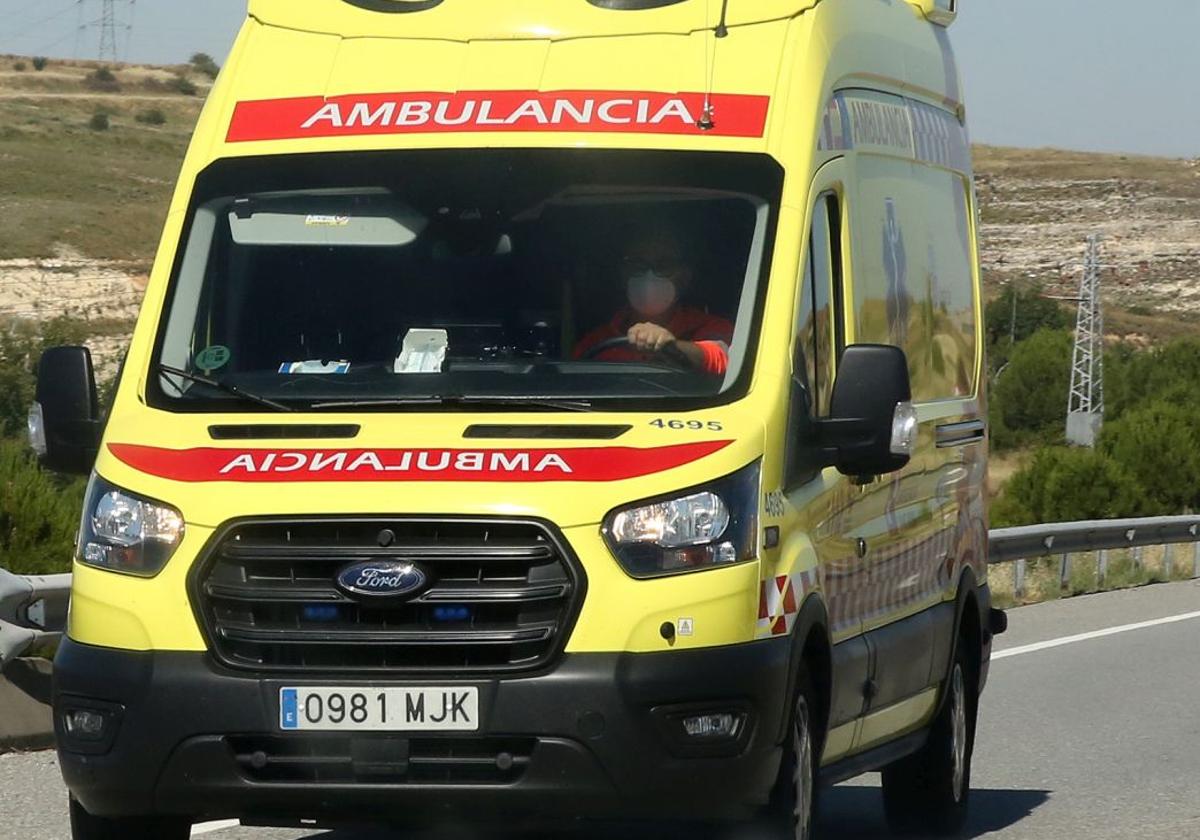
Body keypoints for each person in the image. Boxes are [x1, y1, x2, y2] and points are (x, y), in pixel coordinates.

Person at [572, 231, 734, 376]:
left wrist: (672, 347)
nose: (650, 275)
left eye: (664, 265)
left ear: (685, 277)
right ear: (623, 275)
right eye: (637, 265)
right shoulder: (596, 343)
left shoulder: (712, 327)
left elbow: (722, 359)